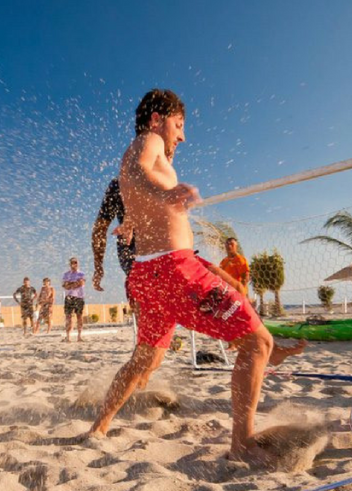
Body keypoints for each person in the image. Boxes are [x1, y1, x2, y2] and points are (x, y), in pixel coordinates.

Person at [86, 89, 306, 466]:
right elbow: (137, 173)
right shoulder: (148, 140)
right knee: (258, 343)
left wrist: (133, 222)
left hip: (147, 274)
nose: (182, 136)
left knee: (144, 359)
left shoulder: (144, 157)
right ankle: (242, 445)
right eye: (179, 124)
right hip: (173, 270)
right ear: (157, 119)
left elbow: (135, 192)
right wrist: (167, 193)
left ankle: (98, 428)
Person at [92, 179, 137, 297]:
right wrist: (98, 266)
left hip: (170, 250)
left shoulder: (167, 179)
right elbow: (100, 229)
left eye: (171, 158)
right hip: (134, 250)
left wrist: (98, 267)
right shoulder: (119, 185)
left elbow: (99, 230)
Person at [62, 258, 86, 342]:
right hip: (69, 297)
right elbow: (65, 286)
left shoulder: (81, 274)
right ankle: (68, 337)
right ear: (70, 264)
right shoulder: (66, 274)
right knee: (68, 317)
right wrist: (75, 283)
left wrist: (70, 284)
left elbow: (81, 283)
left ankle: (79, 336)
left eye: (76, 262)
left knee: (79, 316)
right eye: (73, 263)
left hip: (79, 297)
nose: (74, 264)